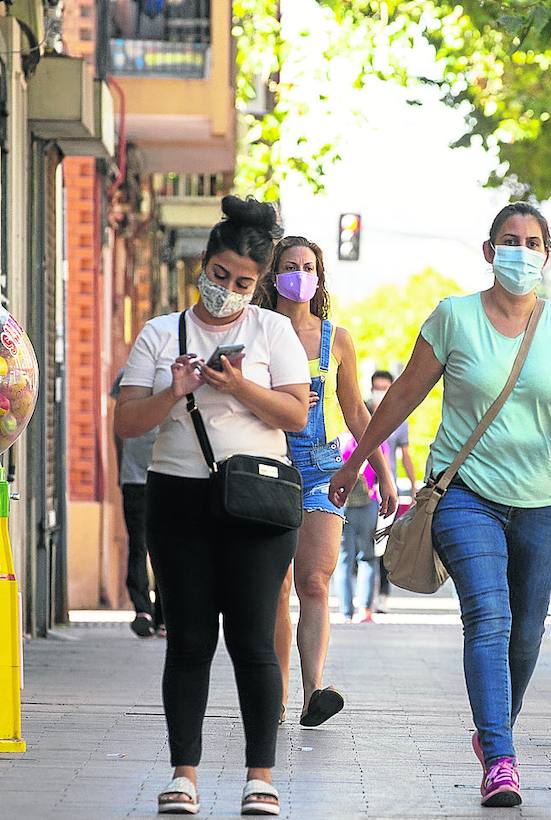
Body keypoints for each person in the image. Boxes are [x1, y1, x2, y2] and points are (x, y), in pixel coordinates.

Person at [328, 202, 551, 808]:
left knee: (528, 635)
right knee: (488, 616)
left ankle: (493, 728)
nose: (521, 251)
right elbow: (402, 395)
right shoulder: (453, 317)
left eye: (533, 242)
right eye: (510, 240)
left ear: (547, 255)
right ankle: (501, 757)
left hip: (545, 502)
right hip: (466, 494)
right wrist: (356, 464)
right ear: (488, 250)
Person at [114, 196, 310, 816]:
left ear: (259, 285)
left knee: (253, 639)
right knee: (191, 640)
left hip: (257, 498)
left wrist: (238, 385)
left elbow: (297, 414)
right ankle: (185, 775)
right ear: (204, 265)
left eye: (244, 283)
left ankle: (261, 777)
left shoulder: (272, 331)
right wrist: (176, 389)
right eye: (221, 276)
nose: (229, 291)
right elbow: (126, 423)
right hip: (179, 497)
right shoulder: (160, 333)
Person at [256, 235, 398, 728]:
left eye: (309, 266)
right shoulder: (252, 329)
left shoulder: (335, 339)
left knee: (314, 579)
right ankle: (272, 695)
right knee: (275, 587)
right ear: (273, 275)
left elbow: (356, 410)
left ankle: (314, 690)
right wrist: (280, 399)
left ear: (319, 278)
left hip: (320, 469)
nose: (301, 274)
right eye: (291, 266)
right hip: (266, 467)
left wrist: (382, 472)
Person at [111, 368, 163, 638]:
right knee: (140, 544)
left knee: (166, 546)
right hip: (136, 477)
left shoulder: (183, 368)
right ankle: (143, 610)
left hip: (169, 475)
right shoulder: (129, 374)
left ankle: (163, 615)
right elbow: (118, 426)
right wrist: (122, 467)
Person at [368, 370, 417, 613]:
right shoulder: (361, 414)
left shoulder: (400, 419)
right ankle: (363, 594)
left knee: (384, 543)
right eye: (377, 388)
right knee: (361, 544)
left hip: (388, 490)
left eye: (385, 388)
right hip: (361, 490)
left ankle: (382, 594)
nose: (381, 393)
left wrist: (414, 483)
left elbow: (405, 455)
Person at [337, 431, 382, 623]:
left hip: (343, 504)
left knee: (344, 560)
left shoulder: (340, 442)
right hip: (367, 504)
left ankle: (346, 611)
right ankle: (365, 610)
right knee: (367, 557)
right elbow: (381, 471)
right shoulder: (377, 442)